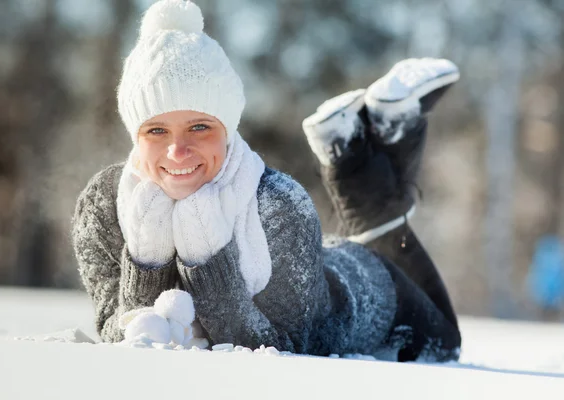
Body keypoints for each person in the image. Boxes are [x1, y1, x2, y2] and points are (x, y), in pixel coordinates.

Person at [72, 0, 461, 362]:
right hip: (315, 264)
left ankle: (358, 161)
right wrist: (148, 260)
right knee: (367, 233)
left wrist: (207, 259)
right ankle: (359, 143)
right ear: (133, 134)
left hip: (368, 292)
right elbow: (117, 333)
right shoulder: (104, 205)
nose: (178, 150)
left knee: (445, 342)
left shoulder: (280, 202)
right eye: (156, 131)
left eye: (199, 127)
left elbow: (285, 350)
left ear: (228, 128)